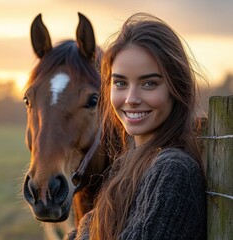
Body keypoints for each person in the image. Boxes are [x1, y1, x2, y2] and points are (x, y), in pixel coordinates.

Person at [65, 12, 206, 240]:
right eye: (120, 83)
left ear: (176, 87)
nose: (131, 98)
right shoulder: (130, 165)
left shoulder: (173, 171)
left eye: (149, 83)